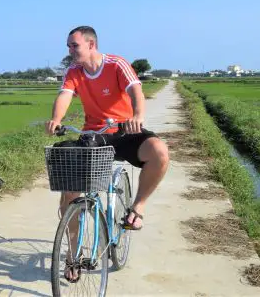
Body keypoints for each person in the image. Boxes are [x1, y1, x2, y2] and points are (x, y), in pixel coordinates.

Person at [45, 26, 169, 281]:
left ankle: (138, 208)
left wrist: (137, 117)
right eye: (68, 46)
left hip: (125, 130)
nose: (69, 50)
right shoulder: (74, 71)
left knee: (159, 153)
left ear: (91, 44)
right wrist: (56, 119)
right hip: (95, 135)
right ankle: (72, 254)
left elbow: (136, 91)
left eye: (74, 45)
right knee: (70, 192)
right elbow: (65, 95)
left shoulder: (116, 64)